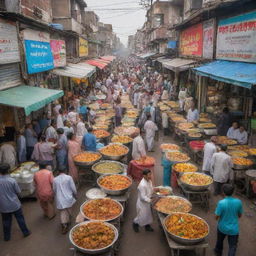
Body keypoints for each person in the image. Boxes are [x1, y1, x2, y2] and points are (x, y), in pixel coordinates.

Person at [0, 164, 30, 241]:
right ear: (8, 171)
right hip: (15, 204)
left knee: (6, 221)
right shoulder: (12, 181)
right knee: (20, 219)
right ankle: (25, 232)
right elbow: (18, 192)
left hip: (3, 206)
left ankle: (7, 237)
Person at [214, 184, 243, 256]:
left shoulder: (221, 203)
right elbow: (240, 215)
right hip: (234, 229)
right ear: (233, 192)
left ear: (223, 193)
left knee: (220, 241)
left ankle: (218, 252)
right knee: (232, 247)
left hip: (222, 227)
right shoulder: (239, 202)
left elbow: (216, 217)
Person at [53, 168, 77, 234]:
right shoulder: (69, 178)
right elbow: (73, 188)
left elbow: (54, 189)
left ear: (58, 171)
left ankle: (65, 224)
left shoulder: (55, 179)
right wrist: (75, 194)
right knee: (69, 210)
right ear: (65, 171)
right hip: (68, 197)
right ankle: (67, 222)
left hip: (60, 199)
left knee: (63, 212)